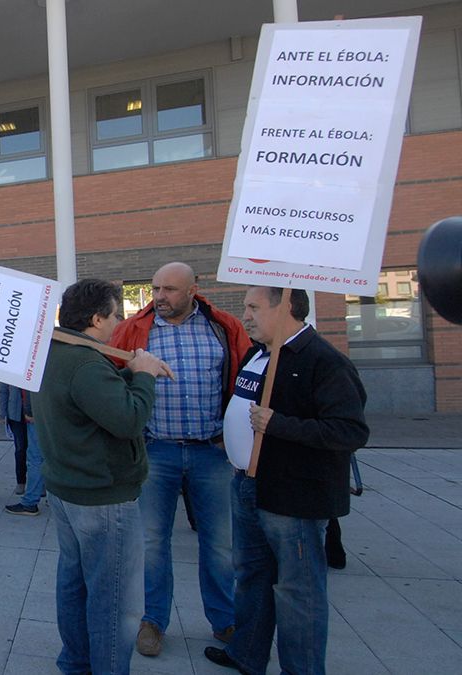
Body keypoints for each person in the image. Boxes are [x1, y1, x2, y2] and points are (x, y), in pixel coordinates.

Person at [205, 287, 368, 675]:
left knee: (298, 593)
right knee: (252, 577)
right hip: (247, 484)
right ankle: (247, 653)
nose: (245, 316)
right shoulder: (258, 352)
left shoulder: (324, 361)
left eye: (254, 307)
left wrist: (280, 425)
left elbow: (349, 431)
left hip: (293, 497)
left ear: (289, 306)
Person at [109, 262, 251, 655]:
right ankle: (152, 621)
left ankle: (224, 621)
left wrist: (234, 433)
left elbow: (242, 378)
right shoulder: (136, 330)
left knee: (220, 545)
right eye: (155, 288)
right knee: (153, 542)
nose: (159, 297)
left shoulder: (221, 328)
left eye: (169, 289)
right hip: (158, 451)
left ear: (193, 289)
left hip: (211, 453)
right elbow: (113, 379)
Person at [34, 279, 171, 675]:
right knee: (114, 601)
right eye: (115, 316)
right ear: (96, 318)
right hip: (101, 497)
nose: (118, 323)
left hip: (69, 488)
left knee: (75, 584)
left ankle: (76, 663)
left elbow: (87, 404)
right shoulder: (84, 363)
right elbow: (128, 419)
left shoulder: (58, 352)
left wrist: (128, 374)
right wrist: (143, 375)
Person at [2, 385, 44, 515]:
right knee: (36, 455)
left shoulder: (32, 367)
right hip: (38, 415)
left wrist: (30, 412)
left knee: (35, 458)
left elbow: (32, 392)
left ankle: (30, 502)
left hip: (36, 416)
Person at [0, 383, 30, 495]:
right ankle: (21, 481)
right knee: (20, 448)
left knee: (36, 449)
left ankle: (38, 482)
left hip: (34, 413)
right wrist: (3, 413)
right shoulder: (12, 367)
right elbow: (3, 391)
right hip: (16, 413)